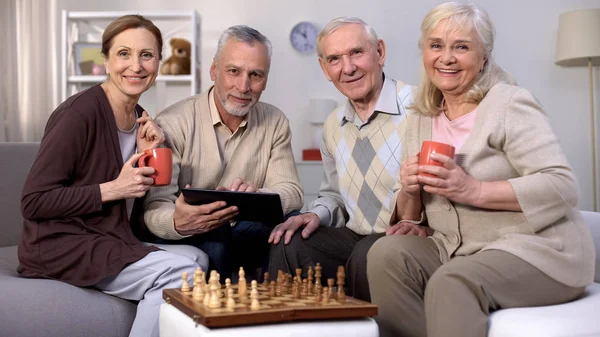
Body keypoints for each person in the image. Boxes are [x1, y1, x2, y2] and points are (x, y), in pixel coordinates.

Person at [367, 3, 596, 337]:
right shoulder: (420, 115)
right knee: (385, 254)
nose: (446, 57)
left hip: (537, 250)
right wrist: (410, 191)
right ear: (425, 53)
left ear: (484, 56)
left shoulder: (508, 104)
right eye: (436, 46)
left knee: (453, 280)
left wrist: (472, 189)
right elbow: (411, 219)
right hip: (458, 247)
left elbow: (563, 187)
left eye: (461, 46)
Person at [17, 15, 208, 337]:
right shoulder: (77, 114)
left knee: (198, 257)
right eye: (124, 54)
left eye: (146, 55)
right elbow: (33, 202)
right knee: (181, 272)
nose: (135, 66)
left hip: (108, 238)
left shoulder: (139, 117)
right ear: (105, 61)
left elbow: (133, 198)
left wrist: (148, 155)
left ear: (158, 63)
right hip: (60, 245)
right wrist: (113, 188)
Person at [268, 17, 415, 302]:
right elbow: (334, 195)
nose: (347, 68)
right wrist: (313, 214)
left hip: (405, 238)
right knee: (288, 243)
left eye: (356, 53)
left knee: (366, 254)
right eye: (335, 59)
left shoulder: (418, 108)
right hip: (356, 236)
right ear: (325, 69)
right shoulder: (333, 125)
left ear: (380, 52)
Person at [143, 25, 303, 282]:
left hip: (247, 229)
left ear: (266, 79)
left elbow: (292, 192)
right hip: (194, 233)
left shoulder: (275, 121)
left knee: (290, 229)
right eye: (233, 71)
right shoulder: (172, 123)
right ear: (214, 70)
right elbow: (154, 206)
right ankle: (219, 316)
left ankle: (277, 312)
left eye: (256, 75)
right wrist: (178, 222)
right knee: (217, 237)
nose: (244, 86)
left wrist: (256, 197)